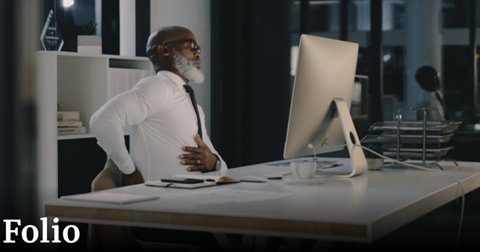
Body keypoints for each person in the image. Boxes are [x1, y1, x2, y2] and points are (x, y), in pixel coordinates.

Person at [88, 26, 226, 250]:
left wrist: (214, 162)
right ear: (164, 50)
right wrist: (128, 171)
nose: (198, 52)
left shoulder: (191, 103)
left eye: (198, 47)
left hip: (198, 207)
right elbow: (102, 120)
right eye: (191, 46)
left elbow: (219, 161)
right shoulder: (158, 86)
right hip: (168, 217)